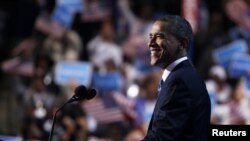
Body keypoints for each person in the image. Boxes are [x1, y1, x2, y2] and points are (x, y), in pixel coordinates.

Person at [142, 15, 211, 141]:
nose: (150, 44)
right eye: (150, 37)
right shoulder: (185, 75)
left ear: (182, 44)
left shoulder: (180, 81)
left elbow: (161, 138)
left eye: (159, 37)